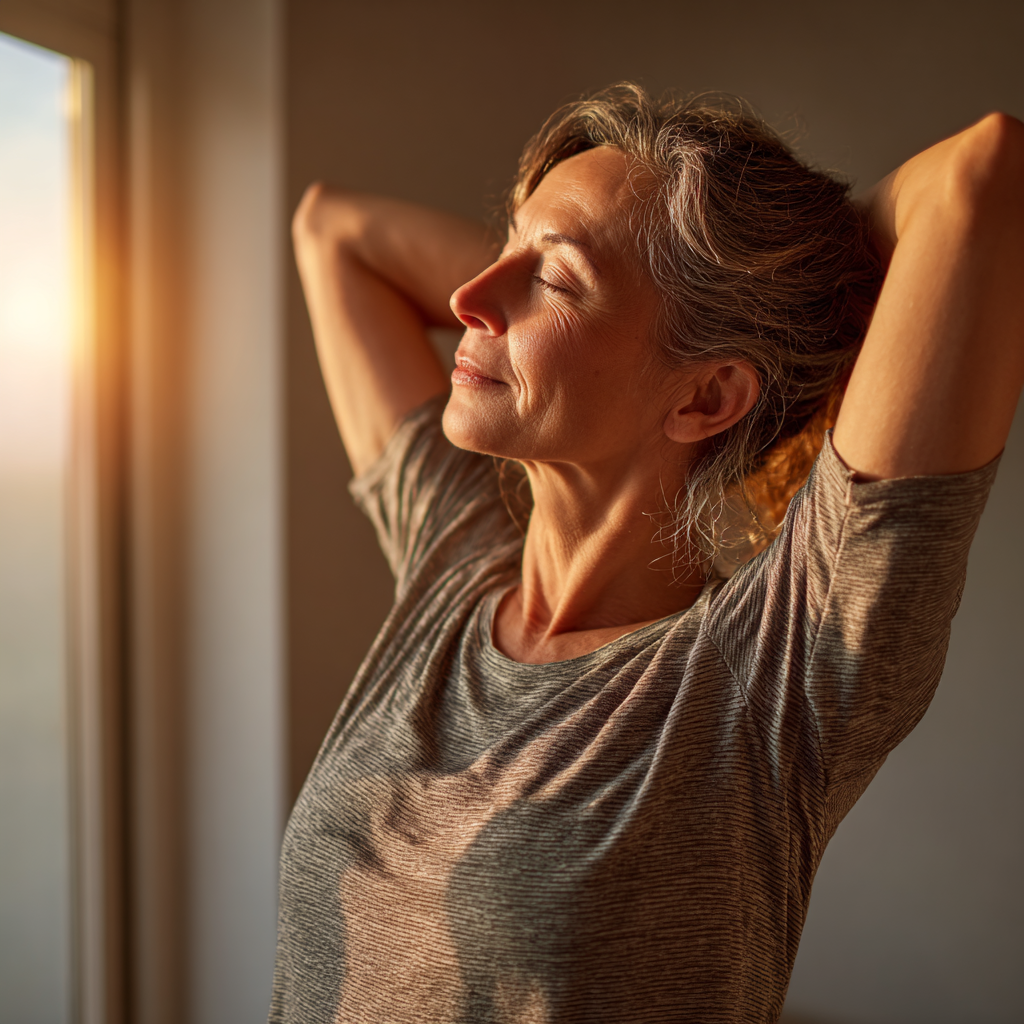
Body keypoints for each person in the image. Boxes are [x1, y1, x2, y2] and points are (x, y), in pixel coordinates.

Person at [274, 85, 1024, 1023]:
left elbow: (984, 175)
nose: (469, 298)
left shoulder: (768, 677)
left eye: (551, 280)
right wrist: (580, 272)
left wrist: (790, 296)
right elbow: (330, 233)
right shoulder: (454, 562)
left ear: (706, 398)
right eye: (506, 244)